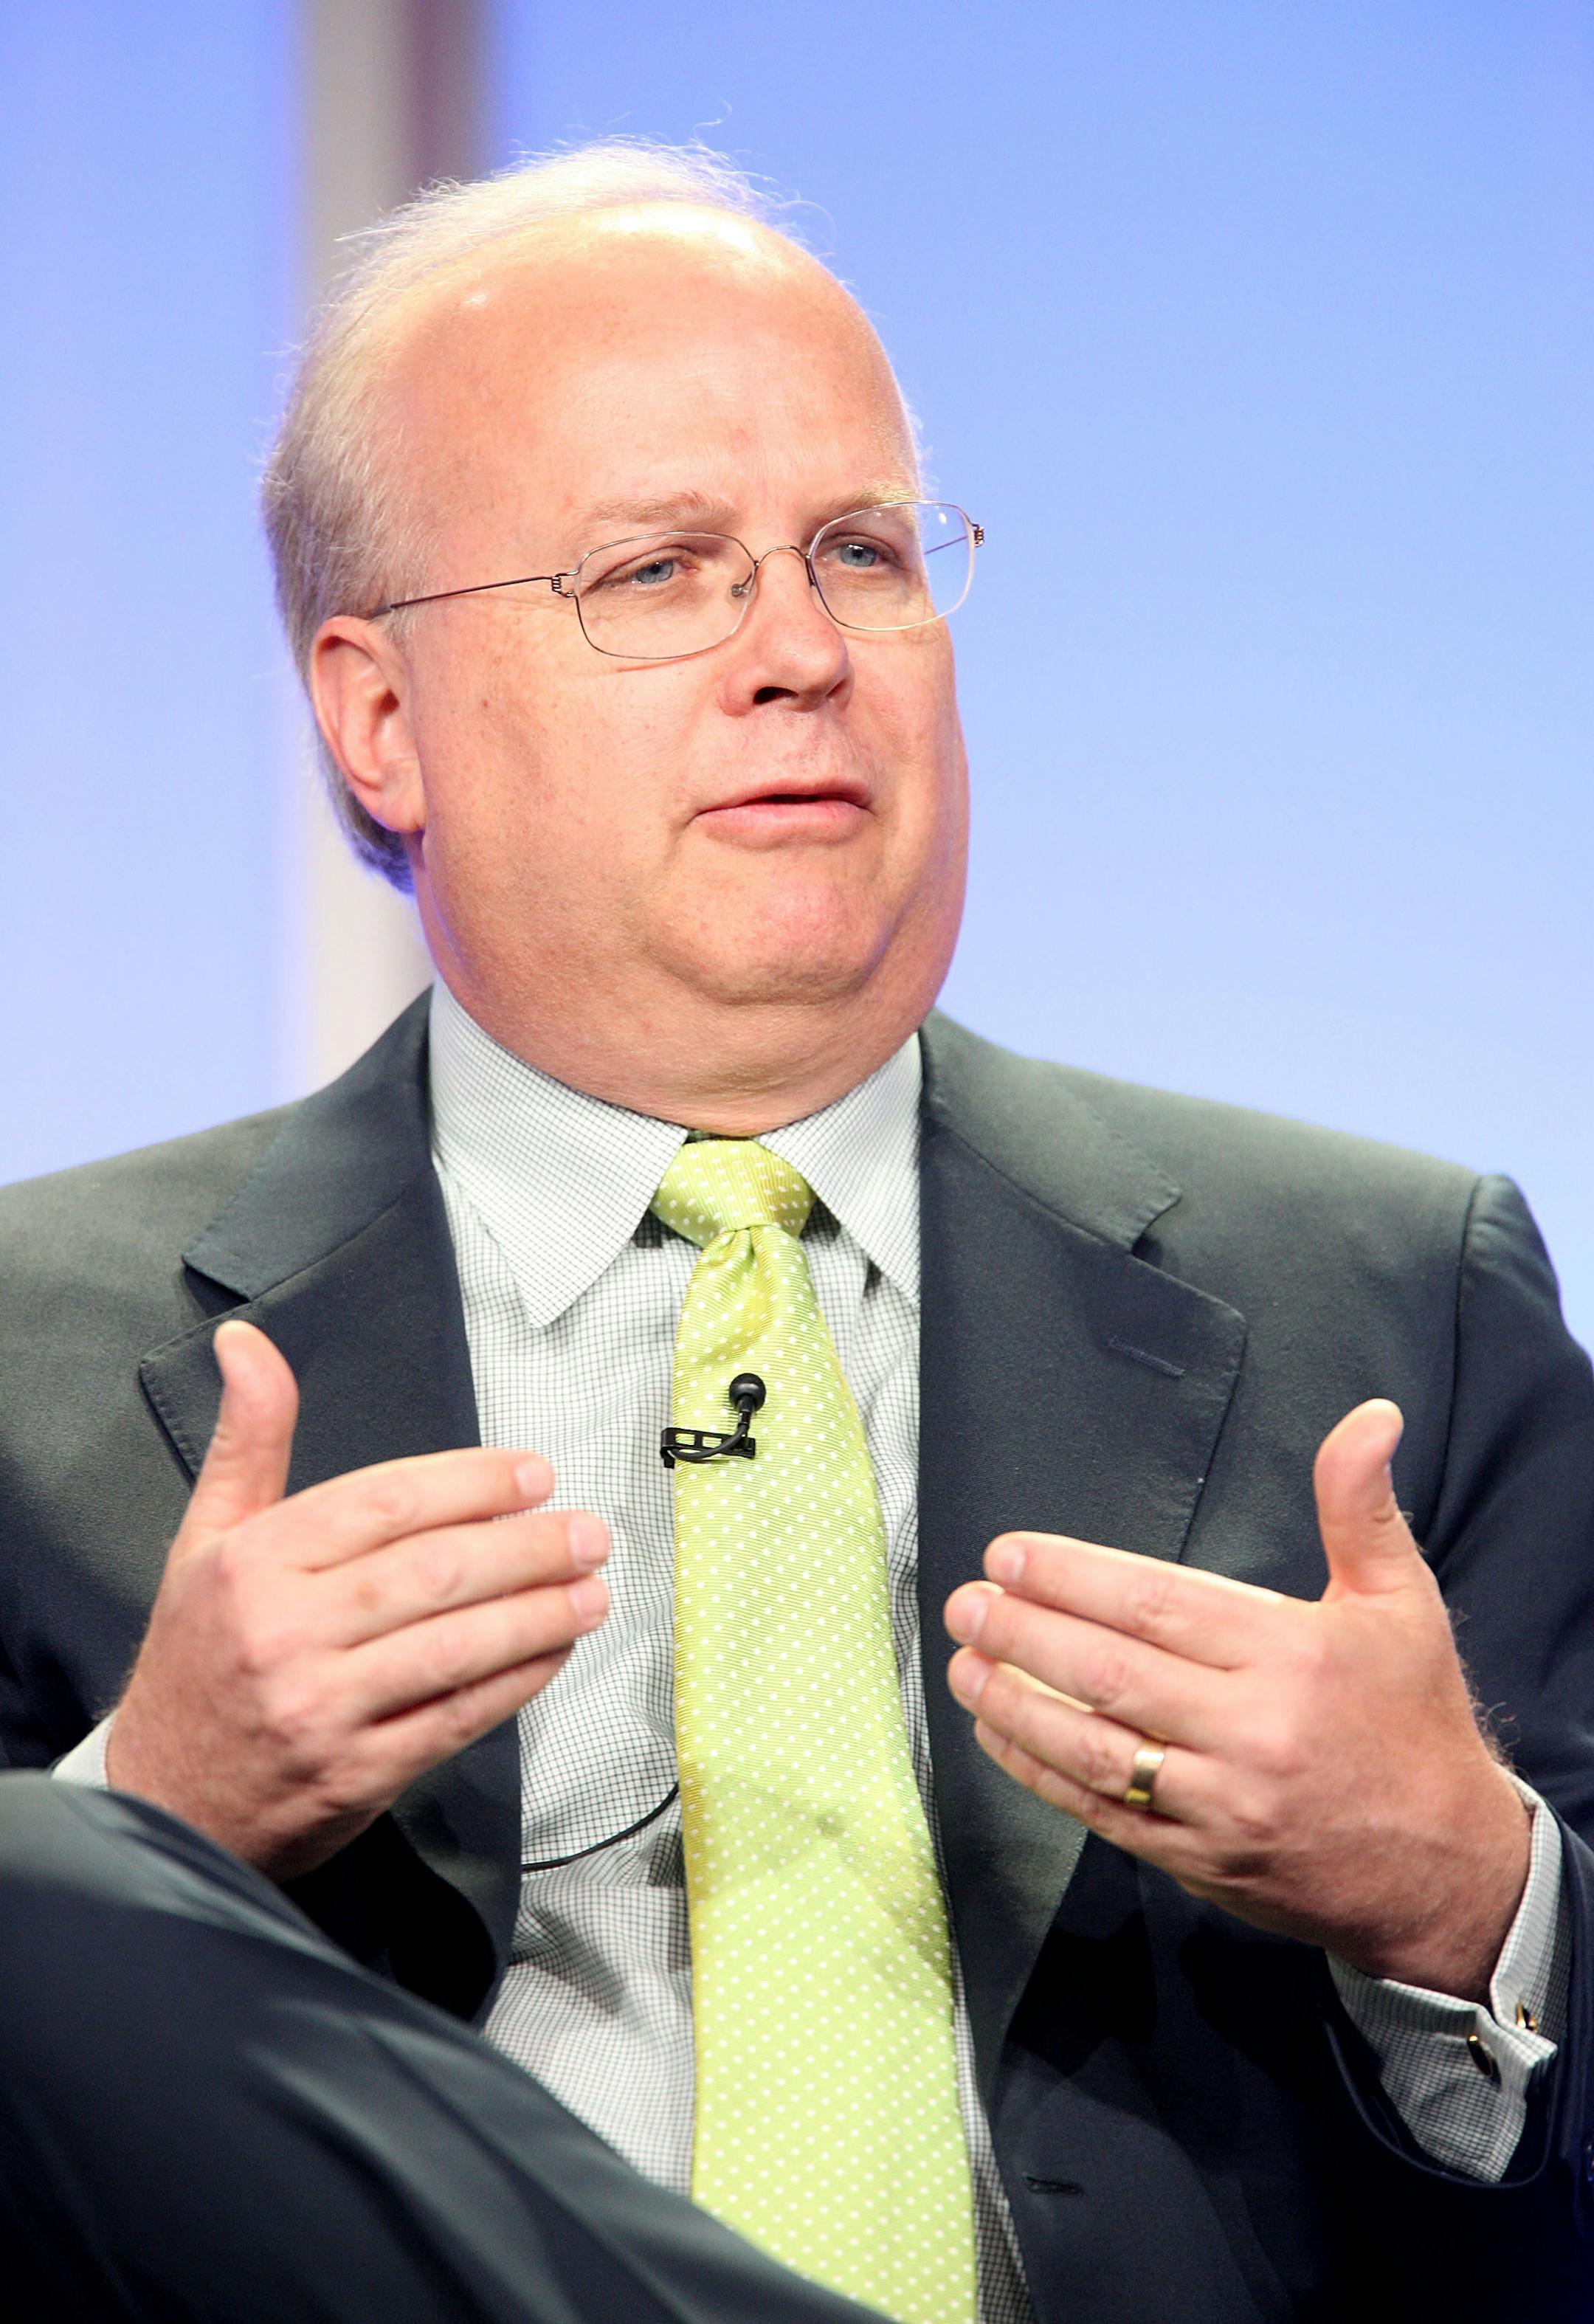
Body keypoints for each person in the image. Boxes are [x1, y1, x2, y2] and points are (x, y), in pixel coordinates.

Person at [0, 140, 1590, 2324]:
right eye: (657, 571)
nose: (802, 652)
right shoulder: (23, 1363)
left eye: (861, 550)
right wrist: (133, 1828)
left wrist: (1471, 1900)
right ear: (381, 720)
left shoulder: (1399, 1304)